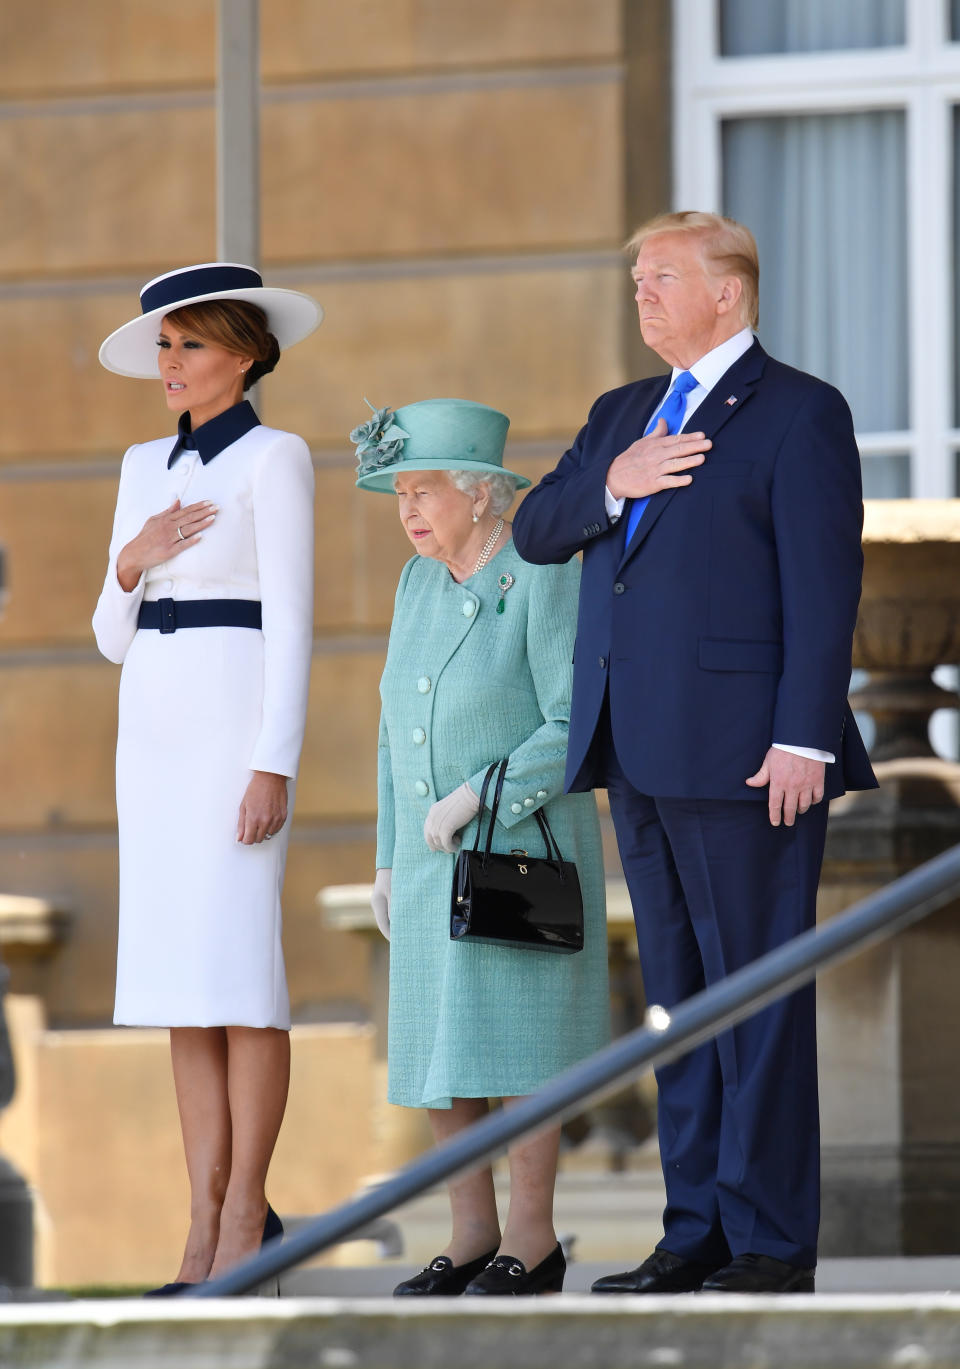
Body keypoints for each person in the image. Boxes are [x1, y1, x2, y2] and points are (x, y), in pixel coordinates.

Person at [512, 212, 877, 1296]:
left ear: (728, 293)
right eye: (636, 277)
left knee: (756, 995)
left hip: (751, 759)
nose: (642, 292)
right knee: (676, 998)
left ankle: (767, 1239)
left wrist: (805, 731)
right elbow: (539, 529)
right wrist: (614, 478)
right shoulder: (622, 414)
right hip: (638, 748)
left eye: (661, 275)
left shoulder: (801, 412)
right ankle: (696, 1231)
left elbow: (825, 587)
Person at [93, 262, 321, 1294]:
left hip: (235, 731)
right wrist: (132, 560)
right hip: (153, 733)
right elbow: (106, 637)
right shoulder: (142, 465)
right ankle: (197, 1233)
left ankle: (245, 1220)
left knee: (243, 982)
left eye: (188, 343)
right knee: (184, 990)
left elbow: (295, 625)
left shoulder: (277, 459)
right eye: (163, 347)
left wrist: (273, 759)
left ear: (245, 352)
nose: (169, 362)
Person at [354, 397, 610, 1297]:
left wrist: (480, 794)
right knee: (441, 1053)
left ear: (483, 494)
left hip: (518, 847)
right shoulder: (415, 582)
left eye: (425, 491)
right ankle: (470, 1235)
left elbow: (572, 718)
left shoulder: (542, 571)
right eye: (401, 494)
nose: (410, 510)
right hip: (430, 863)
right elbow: (392, 728)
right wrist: (388, 855)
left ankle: (533, 1242)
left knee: (524, 1050)